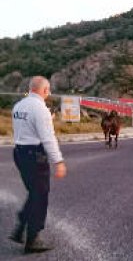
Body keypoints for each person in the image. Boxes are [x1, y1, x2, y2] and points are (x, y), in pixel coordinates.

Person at [9, 76, 67, 254]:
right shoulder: (40, 109)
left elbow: (26, 128)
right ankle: (33, 239)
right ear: (44, 90)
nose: (48, 93)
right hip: (35, 156)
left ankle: (20, 227)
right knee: (40, 196)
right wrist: (58, 161)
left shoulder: (18, 106)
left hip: (19, 153)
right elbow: (48, 138)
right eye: (48, 90)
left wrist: (46, 118)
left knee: (34, 192)